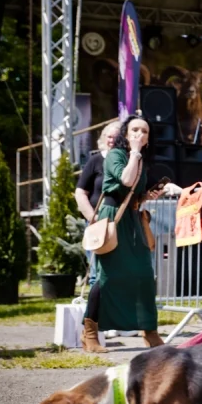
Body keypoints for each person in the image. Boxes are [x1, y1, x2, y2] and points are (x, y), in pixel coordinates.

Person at [82, 116, 165, 352]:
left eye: (145, 131)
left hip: (132, 218)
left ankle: (149, 331)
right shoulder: (116, 155)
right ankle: (89, 333)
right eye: (135, 129)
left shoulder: (141, 161)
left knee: (144, 274)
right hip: (112, 218)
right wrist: (135, 153)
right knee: (107, 277)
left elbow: (134, 193)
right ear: (126, 134)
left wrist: (148, 196)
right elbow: (125, 180)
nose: (140, 134)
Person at [75, 121, 121, 287]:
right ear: (103, 138)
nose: (112, 140)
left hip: (121, 220)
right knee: (97, 268)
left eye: (116, 137)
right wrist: (91, 217)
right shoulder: (95, 160)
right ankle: (96, 308)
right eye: (109, 136)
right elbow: (80, 192)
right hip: (97, 221)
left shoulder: (127, 162)